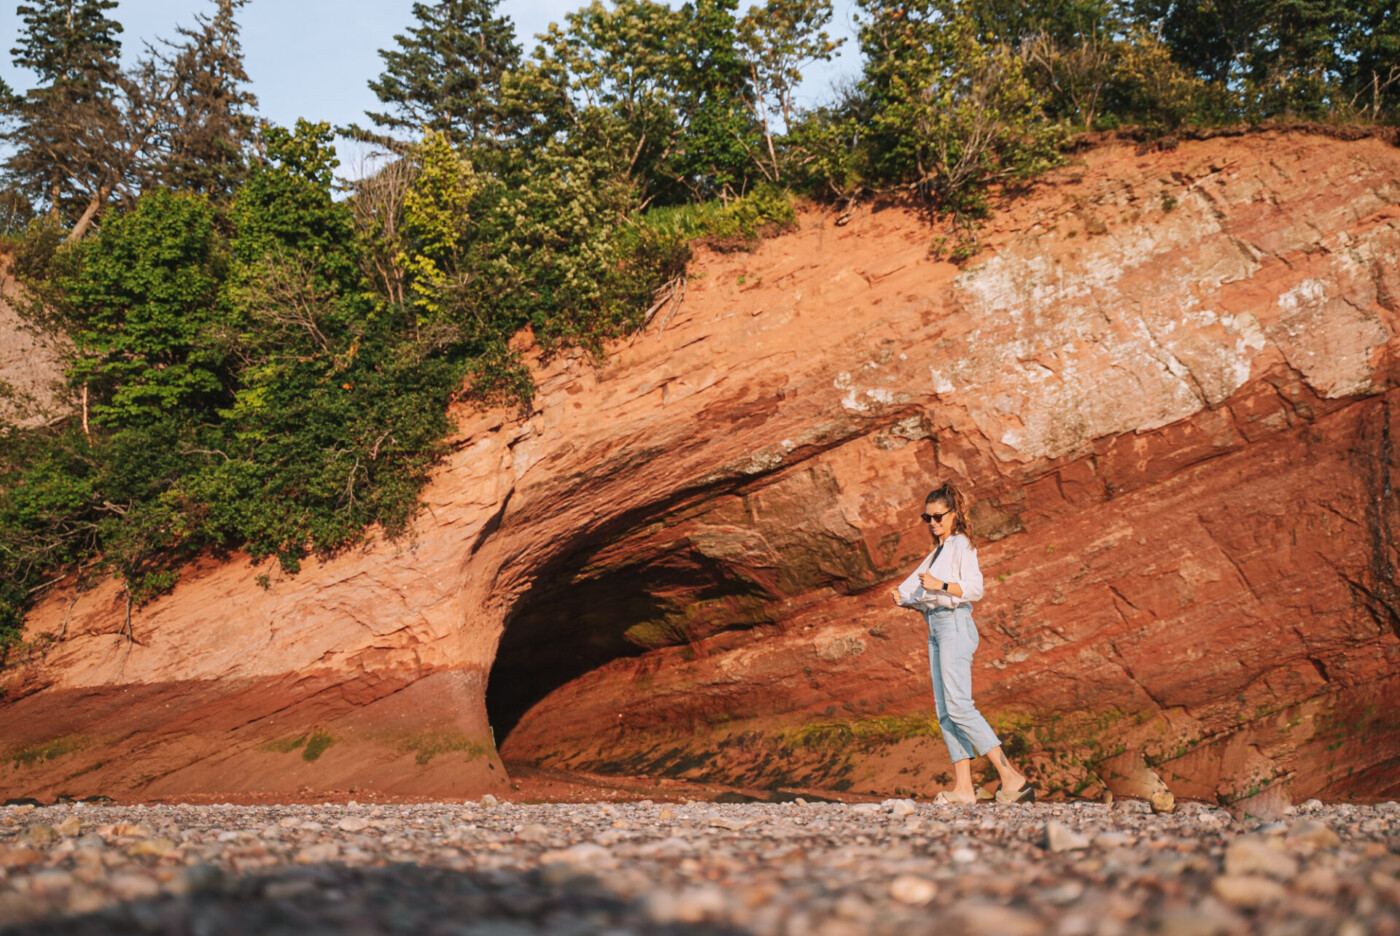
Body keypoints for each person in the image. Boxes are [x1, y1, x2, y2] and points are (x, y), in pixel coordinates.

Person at [890, 480, 1035, 805]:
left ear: (954, 514)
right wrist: (905, 598)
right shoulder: (937, 552)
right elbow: (923, 594)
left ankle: (1012, 778)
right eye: (927, 518)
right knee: (945, 710)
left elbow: (974, 589)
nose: (933, 523)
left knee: (959, 705)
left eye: (938, 516)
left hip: (955, 626)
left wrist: (940, 584)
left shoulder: (962, 545)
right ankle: (964, 789)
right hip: (936, 628)